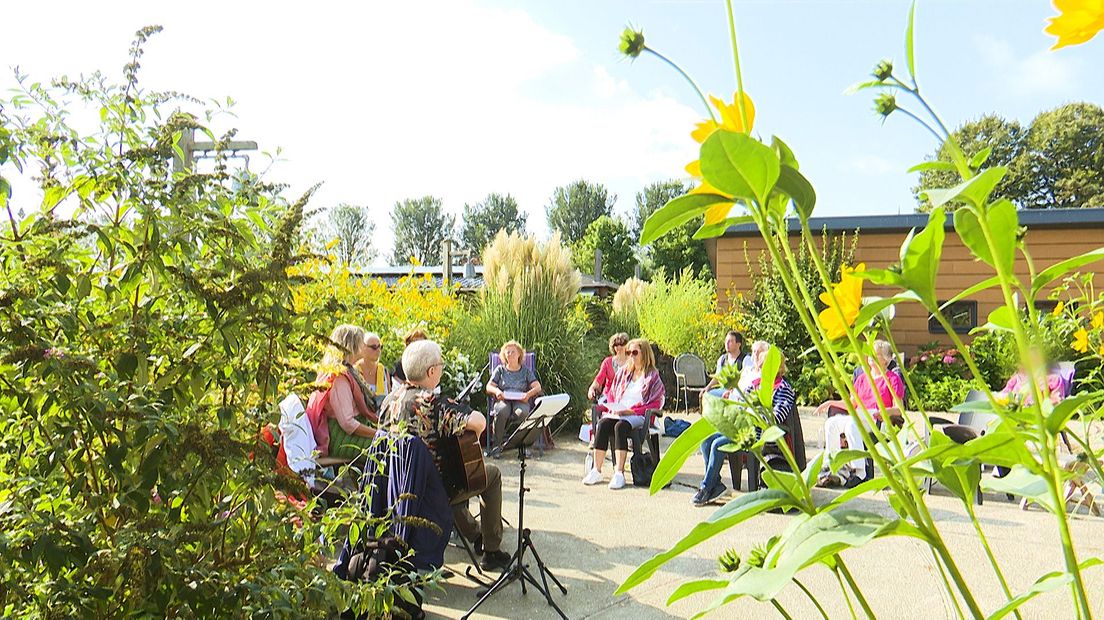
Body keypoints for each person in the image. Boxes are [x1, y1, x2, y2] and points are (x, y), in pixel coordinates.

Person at [380, 339, 512, 572]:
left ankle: (475, 534)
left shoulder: (389, 401)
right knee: (486, 475)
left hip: (395, 487)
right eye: (440, 365)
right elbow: (479, 422)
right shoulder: (433, 403)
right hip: (431, 491)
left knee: (458, 474)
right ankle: (491, 550)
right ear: (431, 371)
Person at [694, 344, 796, 506]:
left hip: (758, 433)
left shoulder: (783, 388)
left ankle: (706, 487)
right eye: (761, 366)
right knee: (706, 440)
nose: (762, 369)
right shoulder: (756, 383)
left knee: (717, 445)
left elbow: (777, 416)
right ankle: (716, 483)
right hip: (741, 427)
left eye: (765, 366)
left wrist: (753, 412)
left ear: (777, 368)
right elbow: (739, 403)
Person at [815, 339, 905, 488]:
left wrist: (883, 411)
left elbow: (899, 409)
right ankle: (833, 468)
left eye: (875, 354)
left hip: (880, 419)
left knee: (852, 422)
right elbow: (852, 404)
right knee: (831, 423)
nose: (870, 356)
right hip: (860, 416)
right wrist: (831, 403)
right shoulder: (862, 378)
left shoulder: (892, 379)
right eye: (869, 353)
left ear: (886, 360)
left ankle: (859, 472)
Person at [582, 338, 665, 490]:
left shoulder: (653, 377)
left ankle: (619, 473)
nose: (631, 356)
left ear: (644, 354)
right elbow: (612, 393)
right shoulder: (624, 372)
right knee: (603, 424)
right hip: (619, 411)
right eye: (629, 352)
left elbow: (655, 404)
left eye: (635, 352)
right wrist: (613, 406)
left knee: (621, 426)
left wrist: (631, 411)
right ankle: (597, 470)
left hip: (638, 414)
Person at [305, 324, 379, 460]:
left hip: (347, 434)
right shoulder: (339, 378)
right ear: (351, 346)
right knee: (390, 451)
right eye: (360, 343)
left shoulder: (349, 371)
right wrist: (379, 434)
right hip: (342, 438)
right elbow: (347, 423)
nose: (363, 347)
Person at [485, 341, 542, 457]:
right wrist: (497, 391)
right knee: (502, 411)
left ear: (519, 355)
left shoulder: (525, 371)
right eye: (508, 352)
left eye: (513, 352)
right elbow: (488, 386)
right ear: (504, 355)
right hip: (503, 400)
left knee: (523, 413)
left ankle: (523, 447)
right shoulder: (500, 370)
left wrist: (528, 395)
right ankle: (496, 447)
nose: (510, 354)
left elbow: (537, 387)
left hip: (520, 400)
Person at [701, 331, 750, 396]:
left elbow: (748, 380)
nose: (727, 343)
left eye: (730, 341)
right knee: (707, 395)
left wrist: (733, 391)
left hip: (740, 392)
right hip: (723, 390)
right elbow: (718, 377)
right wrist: (708, 387)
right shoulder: (722, 359)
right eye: (726, 340)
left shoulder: (746, 359)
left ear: (738, 344)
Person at [587, 332, 630, 401]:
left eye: (622, 344)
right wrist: (591, 388)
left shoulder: (632, 361)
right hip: (608, 396)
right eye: (616, 345)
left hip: (627, 396)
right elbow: (599, 379)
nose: (619, 347)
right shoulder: (607, 362)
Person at [353, 331, 389, 404]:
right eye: (374, 347)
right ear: (363, 347)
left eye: (380, 347)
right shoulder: (354, 371)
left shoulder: (383, 370)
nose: (378, 350)